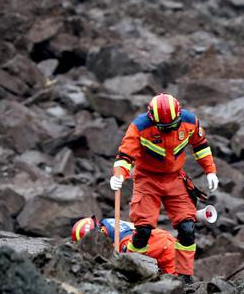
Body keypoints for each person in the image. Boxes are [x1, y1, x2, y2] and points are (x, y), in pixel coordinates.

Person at [109, 93, 218, 279]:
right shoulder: (139, 127)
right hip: (147, 179)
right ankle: (133, 264)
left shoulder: (190, 122)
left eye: (173, 126)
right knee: (143, 230)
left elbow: (200, 145)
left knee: (187, 228)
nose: (169, 130)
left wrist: (210, 170)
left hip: (175, 179)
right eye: (163, 127)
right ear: (152, 119)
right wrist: (119, 175)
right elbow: (125, 155)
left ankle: (184, 276)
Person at [71, 216, 176, 274]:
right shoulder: (107, 224)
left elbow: (130, 248)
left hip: (161, 246)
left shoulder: (118, 237)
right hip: (162, 241)